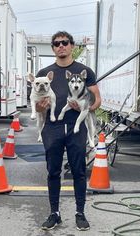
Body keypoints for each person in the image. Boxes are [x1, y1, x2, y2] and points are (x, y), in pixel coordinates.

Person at [36, 31, 101, 231]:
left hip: (77, 127)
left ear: (72, 46)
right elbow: (37, 105)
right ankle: (54, 213)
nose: (61, 46)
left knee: (79, 171)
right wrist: (40, 107)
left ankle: (80, 213)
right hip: (52, 127)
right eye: (56, 43)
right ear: (53, 48)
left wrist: (86, 109)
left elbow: (97, 99)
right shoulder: (45, 73)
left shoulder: (85, 70)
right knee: (53, 172)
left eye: (65, 42)